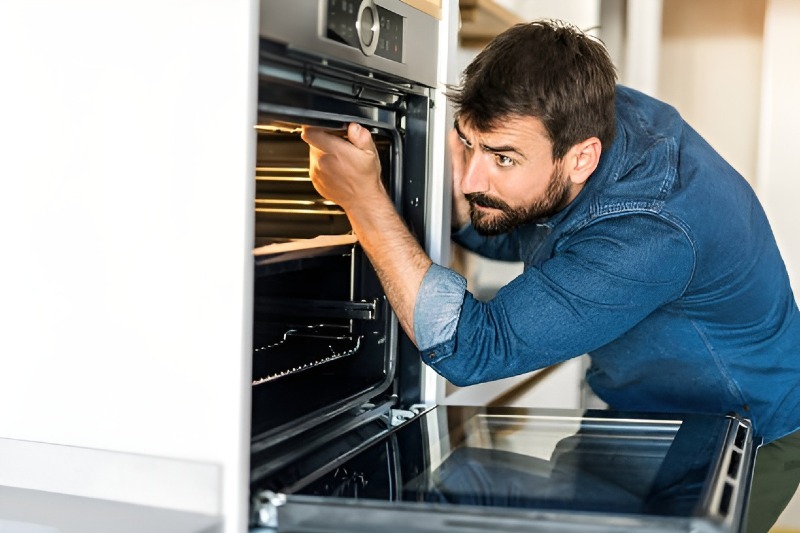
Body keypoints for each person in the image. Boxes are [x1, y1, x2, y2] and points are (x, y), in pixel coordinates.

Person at [300, 19, 800, 532]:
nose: (472, 178)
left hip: (747, 429)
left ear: (583, 157)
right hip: (638, 411)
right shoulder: (578, 113)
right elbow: (528, 224)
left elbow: (473, 348)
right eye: (469, 144)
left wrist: (364, 204)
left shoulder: (651, 228)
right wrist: (457, 205)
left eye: (501, 158)